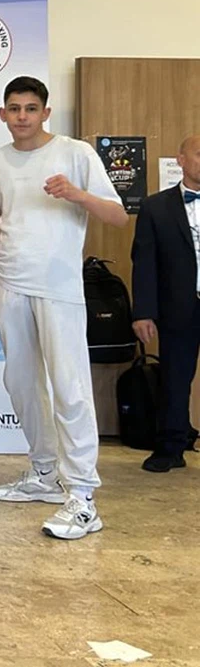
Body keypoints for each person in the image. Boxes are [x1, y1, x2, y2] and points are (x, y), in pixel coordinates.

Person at [0, 76, 128, 540]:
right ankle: (44, 474)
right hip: (8, 284)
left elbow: (118, 215)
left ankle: (83, 497)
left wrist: (77, 194)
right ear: (3, 114)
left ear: (45, 112)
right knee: (21, 383)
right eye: (14, 108)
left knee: (70, 387)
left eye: (31, 108)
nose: (22, 116)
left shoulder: (75, 153)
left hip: (58, 287)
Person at [131, 134, 200, 473]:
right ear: (181, 160)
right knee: (175, 378)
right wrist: (143, 312)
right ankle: (170, 448)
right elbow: (144, 262)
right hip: (178, 306)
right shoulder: (155, 207)